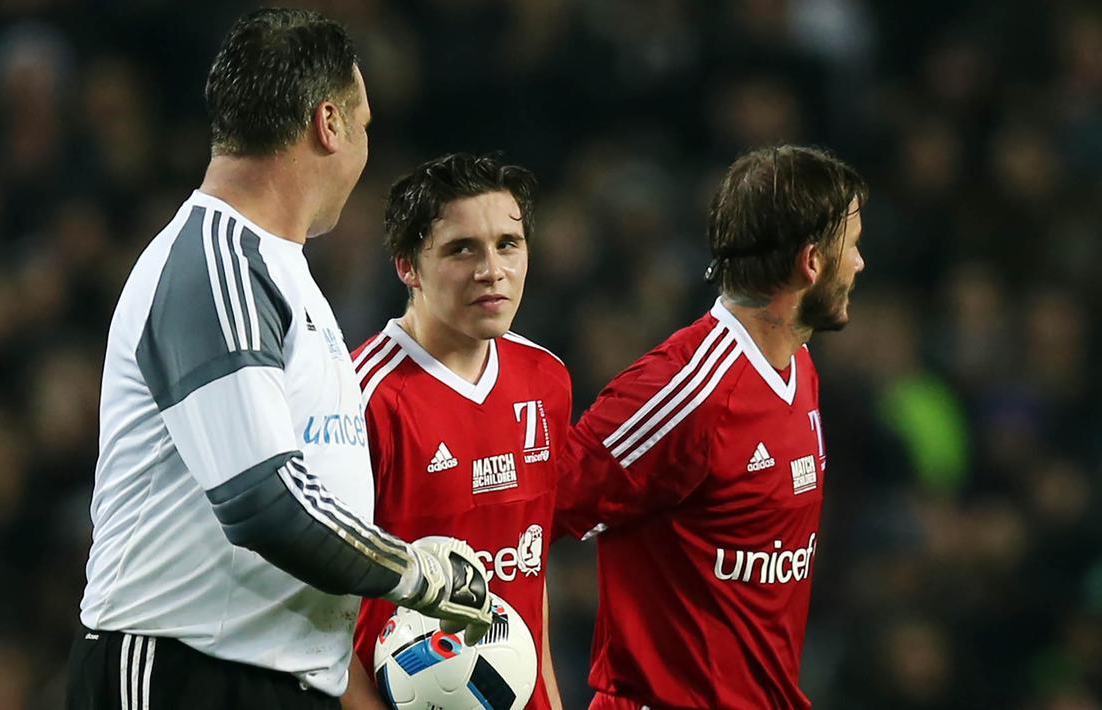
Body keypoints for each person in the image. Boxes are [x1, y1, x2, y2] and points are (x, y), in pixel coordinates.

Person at [66, 10, 494, 710]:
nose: (363, 148)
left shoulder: (278, 270)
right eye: (364, 124)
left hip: (273, 675)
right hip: (184, 673)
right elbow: (262, 502)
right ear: (328, 124)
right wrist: (414, 574)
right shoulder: (215, 262)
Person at [554, 145, 868, 709]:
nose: (860, 263)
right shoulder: (687, 392)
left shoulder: (797, 364)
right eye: (854, 246)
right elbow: (537, 508)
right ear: (812, 262)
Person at [339, 153, 572, 710]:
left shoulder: (547, 379)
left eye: (507, 244)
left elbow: (529, 571)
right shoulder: (361, 397)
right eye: (461, 248)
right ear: (407, 266)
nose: (491, 269)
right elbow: (310, 611)